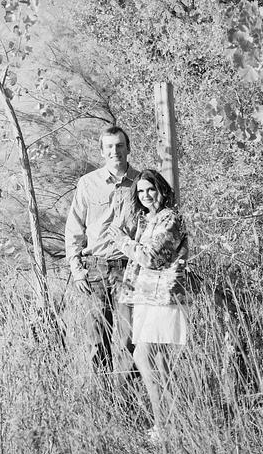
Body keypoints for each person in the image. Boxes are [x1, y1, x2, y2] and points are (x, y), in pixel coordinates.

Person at [109, 169, 188, 440]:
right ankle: (170, 425)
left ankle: (164, 426)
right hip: (145, 296)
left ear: (162, 189)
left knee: (143, 355)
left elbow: (151, 258)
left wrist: (122, 241)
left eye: (150, 189)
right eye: (141, 191)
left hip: (164, 297)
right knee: (159, 363)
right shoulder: (148, 220)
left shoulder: (171, 219)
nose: (145, 195)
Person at [64, 126, 139, 373]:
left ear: (128, 148)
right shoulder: (88, 183)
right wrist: (77, 270)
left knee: (130, 339)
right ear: (102, 151)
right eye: (109, 146)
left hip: (129, 270)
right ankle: (105, 393)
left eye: (119, 145)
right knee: (97, 340)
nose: (115, 151)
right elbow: (74, 228)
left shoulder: (141, 183)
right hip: (95, 270)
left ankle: (128, 393)